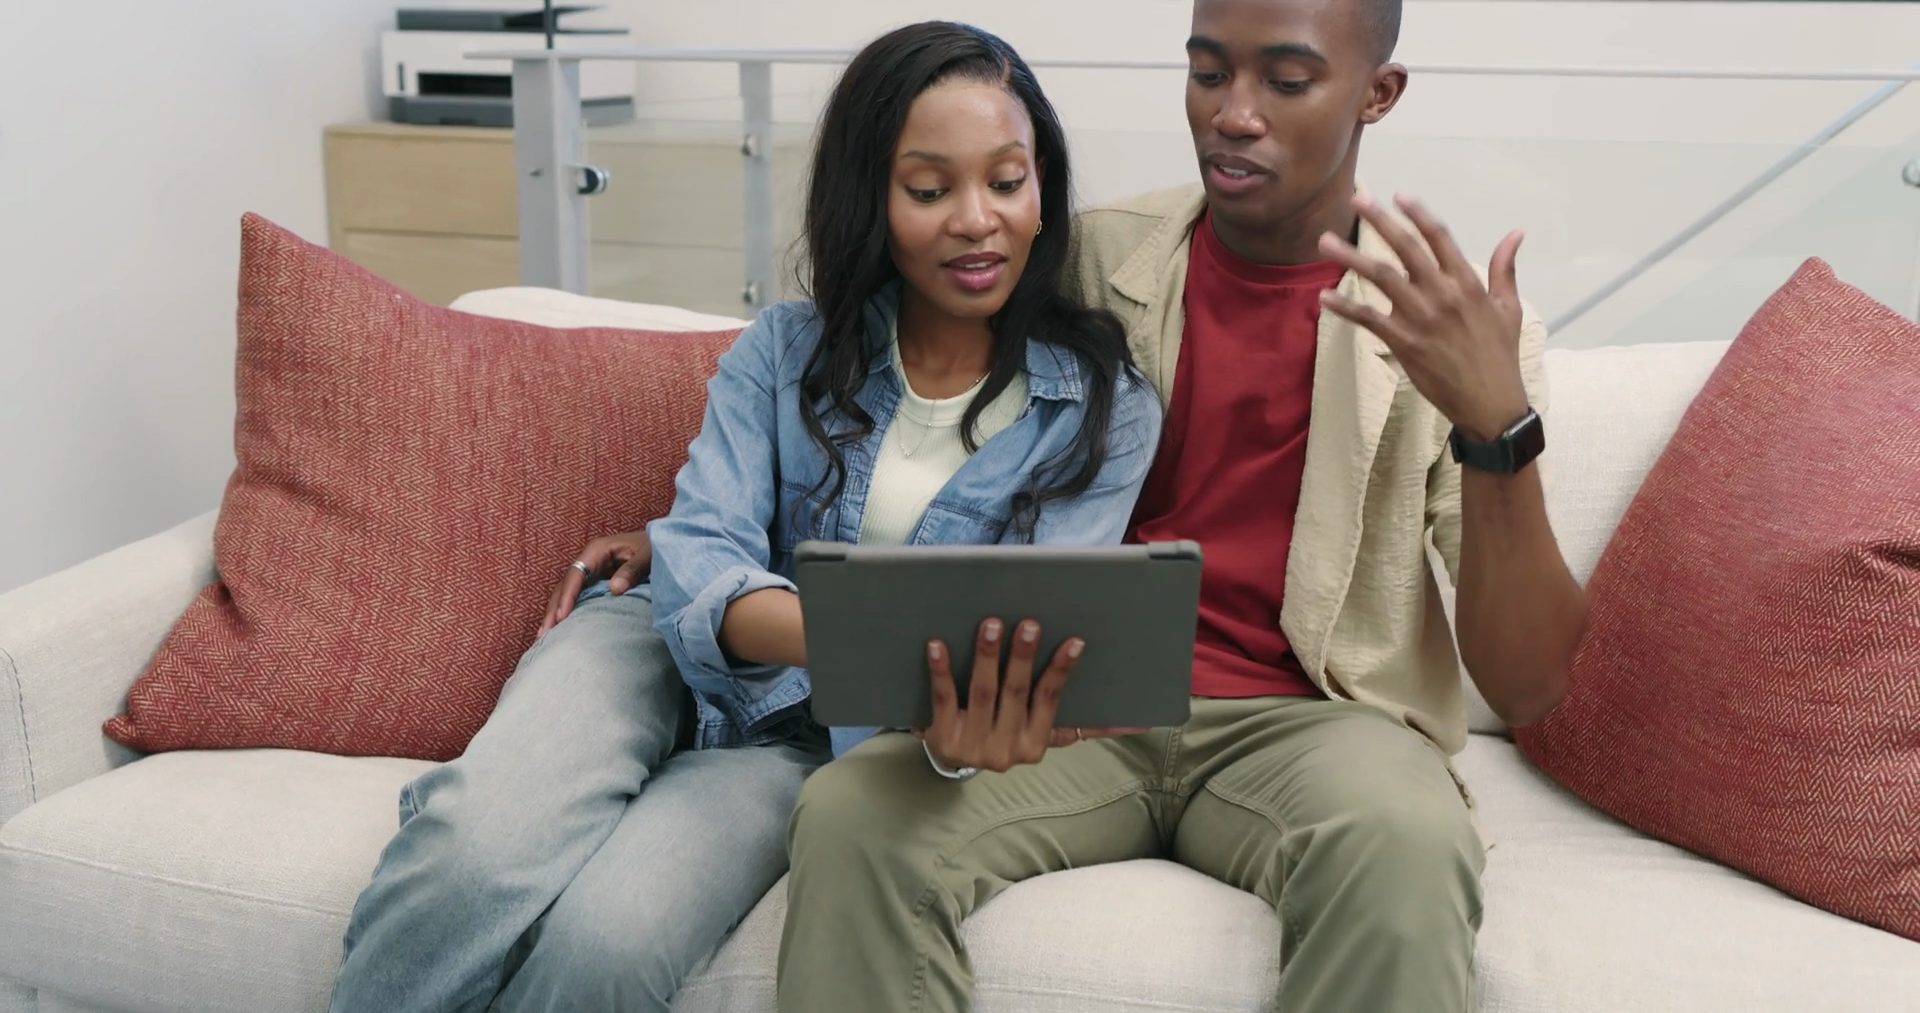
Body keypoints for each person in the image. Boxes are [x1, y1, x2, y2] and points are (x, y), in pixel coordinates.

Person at [327, 21, 1159, 1013]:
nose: (977, 219)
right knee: (470, 850)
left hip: (819, 736)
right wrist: (881, 637)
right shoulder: (784, 348)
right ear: (873, 200)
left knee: (608, 941)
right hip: (647, 645)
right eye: (930, 189)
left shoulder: (1104, 412)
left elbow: (1028, 645)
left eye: (1007, 180)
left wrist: (937, 691)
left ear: (1041, 187)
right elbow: (698, 554)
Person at [774, 0, 1589, 1011]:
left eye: (1285, 81)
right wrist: (687, 517)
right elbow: (878, 375)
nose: (1233, 114)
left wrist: (1495, 426)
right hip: (1071, 711)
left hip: (1313, 726)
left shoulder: (1457, 331)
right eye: (1208, 73)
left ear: (1377, 94)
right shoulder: (1086, 256)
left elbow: (1529, 682)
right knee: (851, 811)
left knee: (1409, 838)